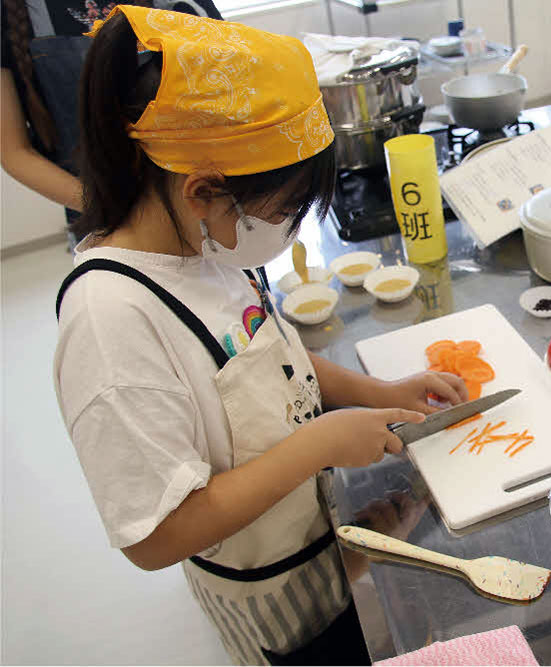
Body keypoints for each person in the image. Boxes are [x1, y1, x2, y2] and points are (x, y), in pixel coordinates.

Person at [52, 6, 468, 665]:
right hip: (277, 603)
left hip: (328, 544)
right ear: (202, 192)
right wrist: (318, 445)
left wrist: (376, 389)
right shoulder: (110, 321)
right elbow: (154, 535)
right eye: (281, 213)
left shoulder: (208, 248)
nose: (287, 234)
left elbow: (269, 353)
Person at [0, 0, 222, 247]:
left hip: (206, 199)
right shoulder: (12, 12)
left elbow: (231, 90)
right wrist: (120, 209)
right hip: (108, 218)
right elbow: (15, 153)